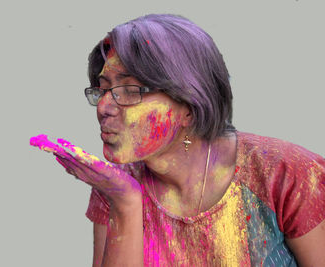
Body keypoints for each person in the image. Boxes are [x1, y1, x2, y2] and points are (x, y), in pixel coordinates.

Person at [30, 14, 325, 266]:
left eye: (130, 90)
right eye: (102, 88)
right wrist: (125, 203)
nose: (104, 106)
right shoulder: (114, 186)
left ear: (188, 105)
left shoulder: (289, 173)